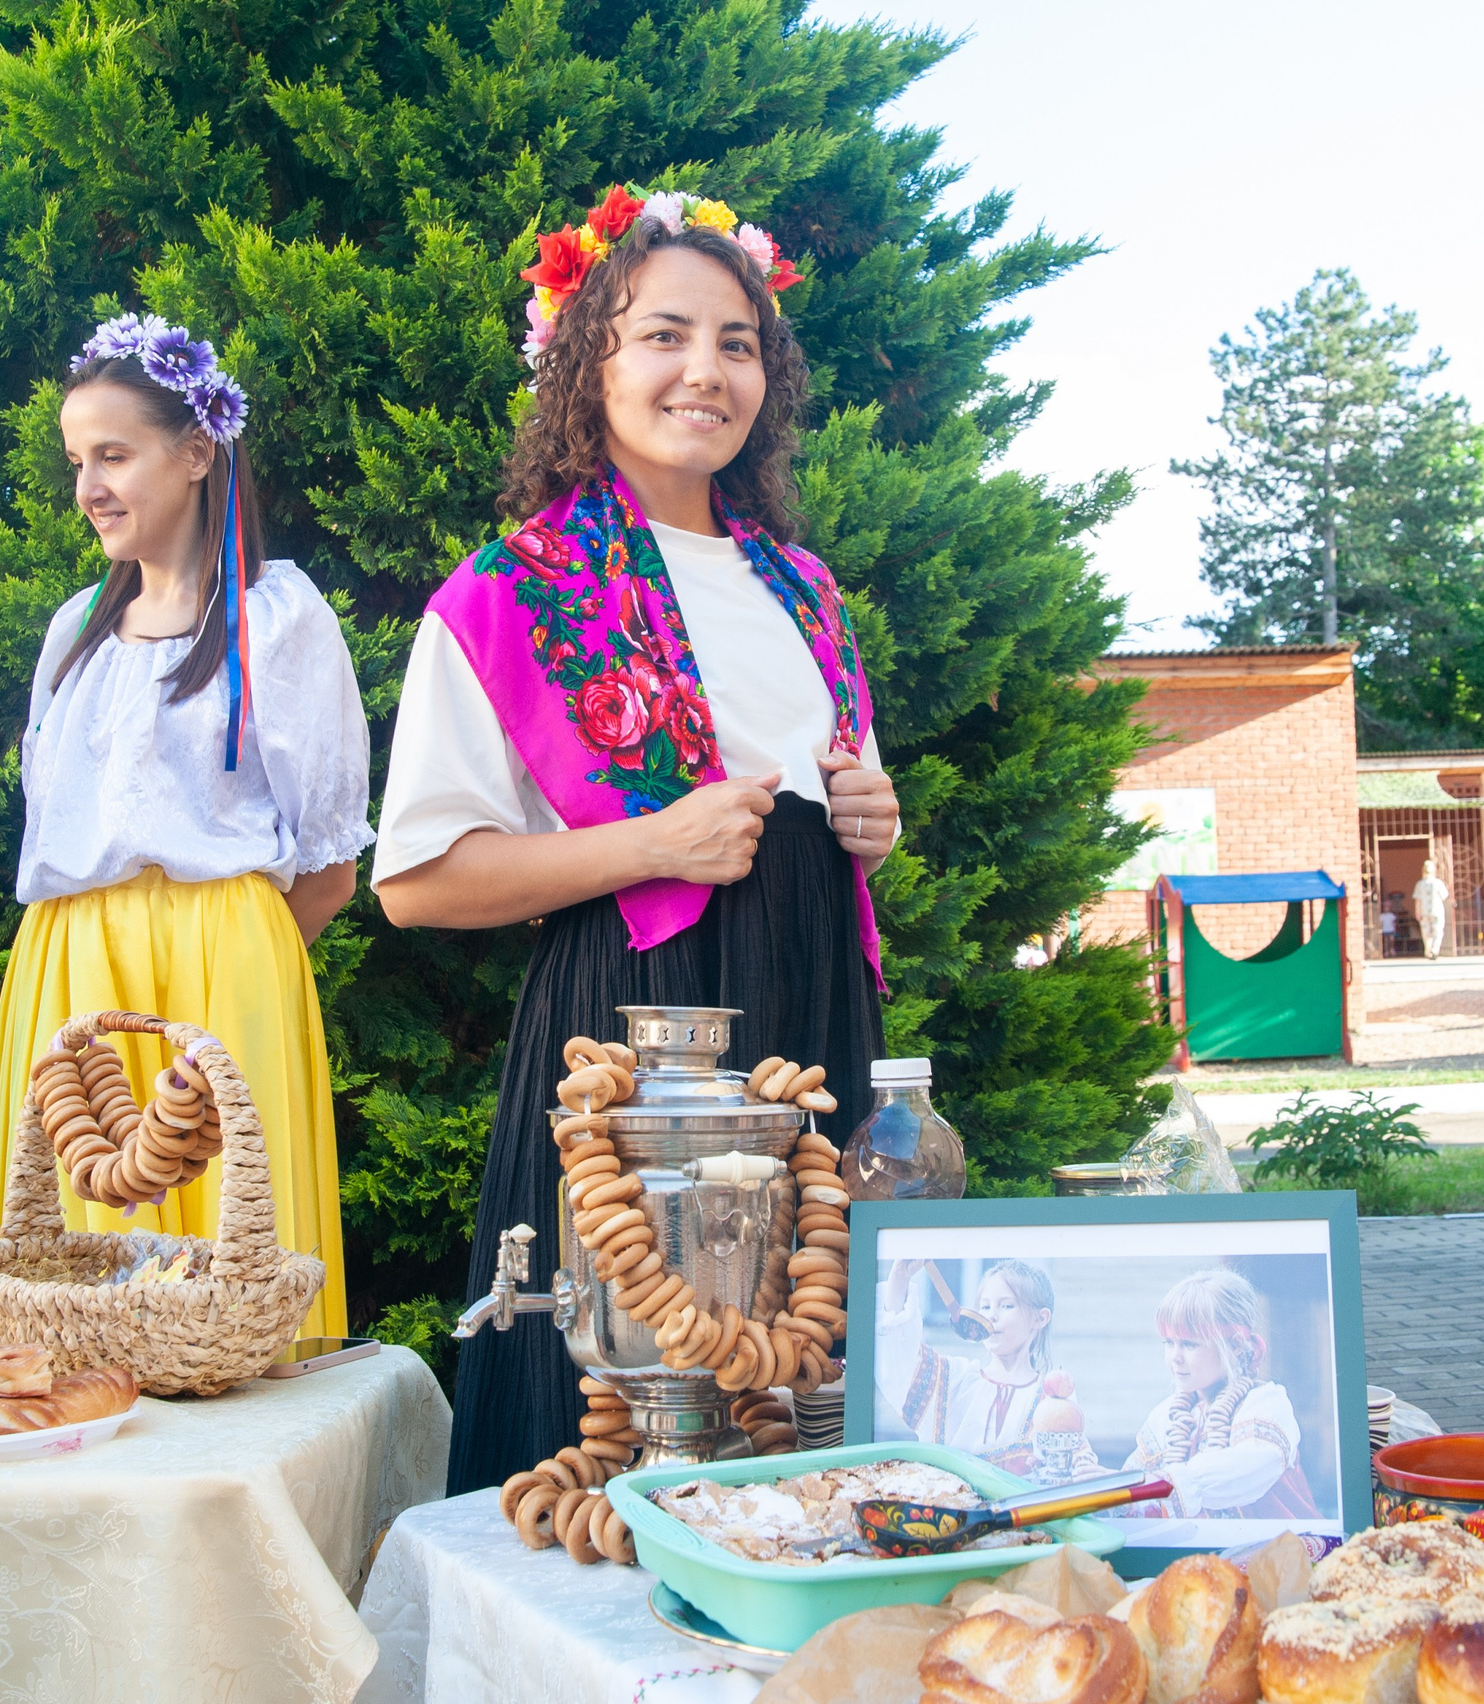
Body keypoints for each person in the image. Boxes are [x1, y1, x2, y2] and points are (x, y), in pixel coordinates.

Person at [374, 184, 902, 1492]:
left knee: (802, 1385)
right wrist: (649, 844)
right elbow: (419, 882)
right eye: (663, 334)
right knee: (616, 1408)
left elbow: (832, 807)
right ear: (584, 356)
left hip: (809, 1021)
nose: (704, 371)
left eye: (737, 343)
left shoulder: (803, 587)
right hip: (636, 1034)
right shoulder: (512, 590)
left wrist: (869, 825)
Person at [0, 318, 369, 1335]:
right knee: (65, 1277)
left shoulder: (277, 620)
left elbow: (327, 864)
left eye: (113, 455)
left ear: (195, 454)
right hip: (67, 968)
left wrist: (242, 971)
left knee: (224, 1278)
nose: (87, 486)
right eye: (76, 461)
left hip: (224, 971)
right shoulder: (72, 632)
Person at [876, 1258, 1101, 1482]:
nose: (991, 1315)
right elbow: (897, 1357)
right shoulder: (954, 1380)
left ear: (1040, 1318)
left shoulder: (1051, 1396)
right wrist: (900, 1277)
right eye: (985, 1306)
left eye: (1006, 1306)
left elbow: (1075, 1471)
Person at [1123, 1267, 1320, 1521]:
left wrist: (1168, 1484)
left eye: (1189, 1344)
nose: (1175, 1357)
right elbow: (1133, 1480)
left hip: (1273, 1550)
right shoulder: (1165, 1416)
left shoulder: (1265, 1404)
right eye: (1169, 1343)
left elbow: (1246, 1466)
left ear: (1236, 1345)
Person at [1413, 859, 1450, 960]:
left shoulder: (1420, 884)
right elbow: (1445, 896)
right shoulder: (1438, 883)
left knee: (1426, 932)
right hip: (1437, 911)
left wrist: (1417, 912)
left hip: (1424, 912)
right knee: (1437, 931)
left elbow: (1418, 900)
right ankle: (1434, 950)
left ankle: (1428, 950)